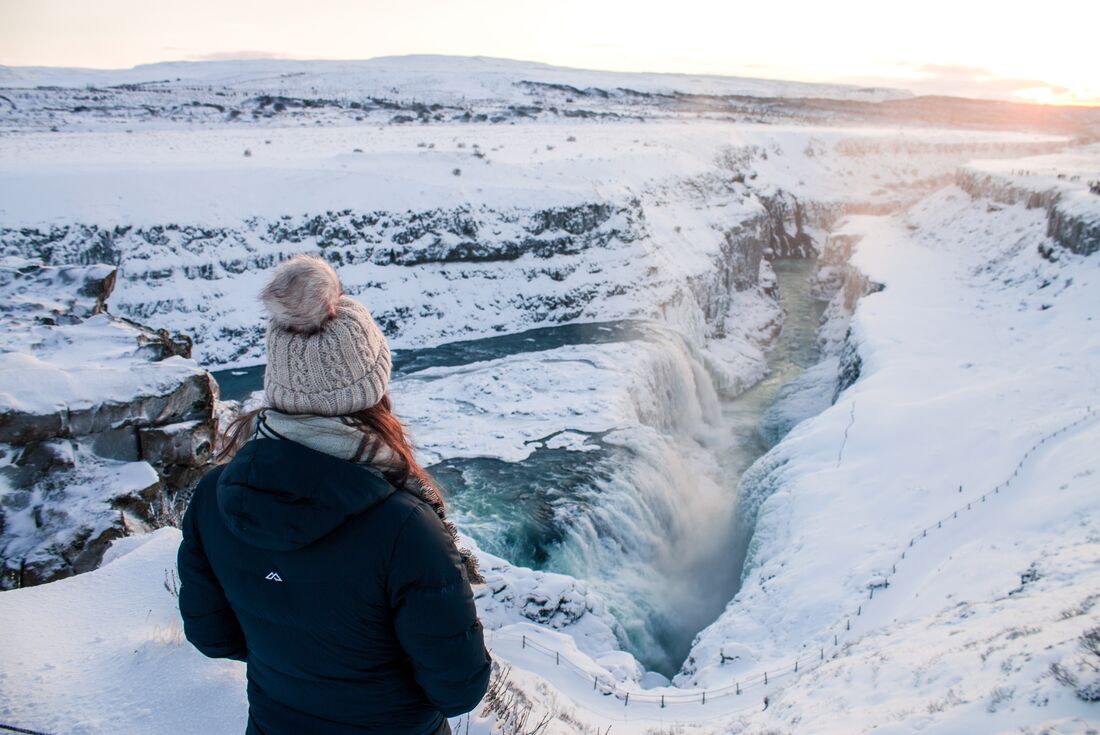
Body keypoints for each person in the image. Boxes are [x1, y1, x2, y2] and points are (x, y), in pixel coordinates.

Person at [176, 254, 492, 735]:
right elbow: (458, 689)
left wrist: (296, 661)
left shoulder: (214, 498)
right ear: (372, 388)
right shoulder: (405, 528)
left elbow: (211, 635)